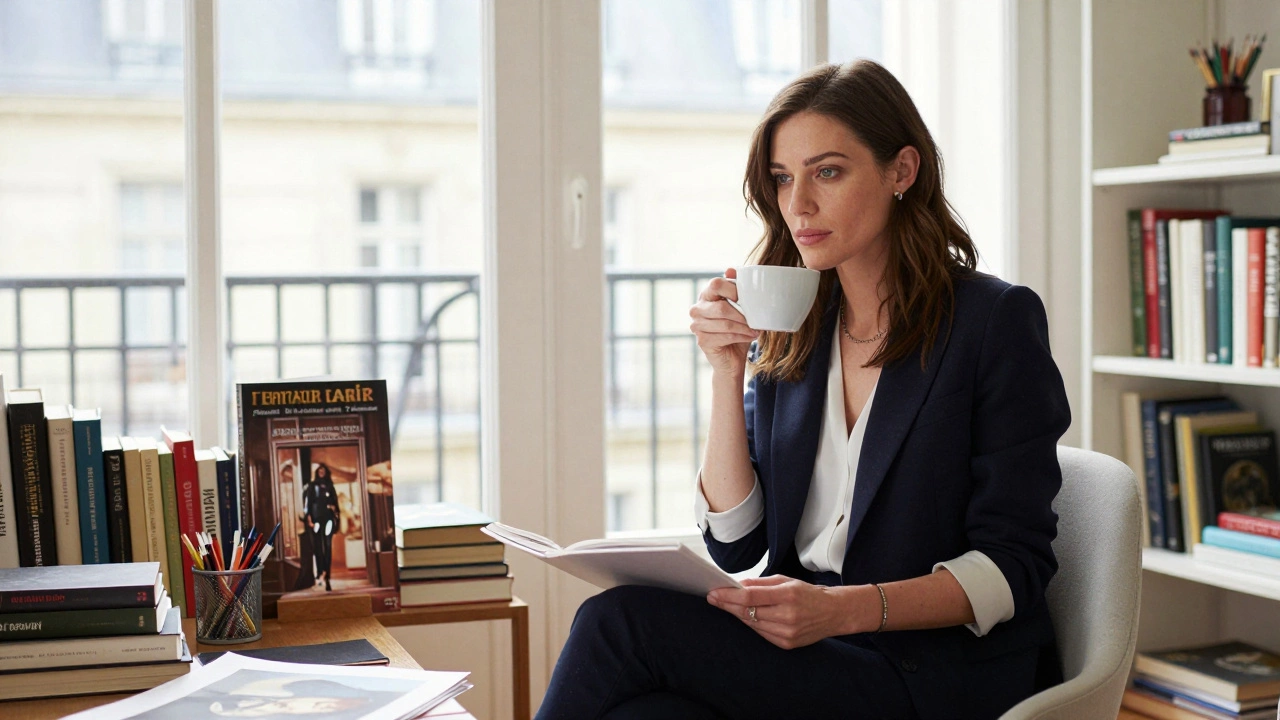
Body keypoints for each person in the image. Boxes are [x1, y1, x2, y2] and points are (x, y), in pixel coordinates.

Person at [536, 59, 1070, 720]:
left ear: (902, 171)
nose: (798, 205)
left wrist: (841, 611)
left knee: (617, 621)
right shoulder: (799, 324)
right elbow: (736, 544)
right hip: (810, 656)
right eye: (784, 179)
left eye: (828, 172)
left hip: (930, 670)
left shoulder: (993, 323)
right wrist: (728, 370)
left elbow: (1014, 567)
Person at [303, 462, 340, 591]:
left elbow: (336, 504)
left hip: (328, 519)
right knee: (318, 546)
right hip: (317, 519)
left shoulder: (330, 486)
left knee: (328, 546)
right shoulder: (313, 486)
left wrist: (336, 519)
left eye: (323, 471)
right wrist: (309, 518)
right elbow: (308, 503)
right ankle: (321, 572)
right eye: (320, 471)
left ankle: (327, 573)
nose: (322, 473)